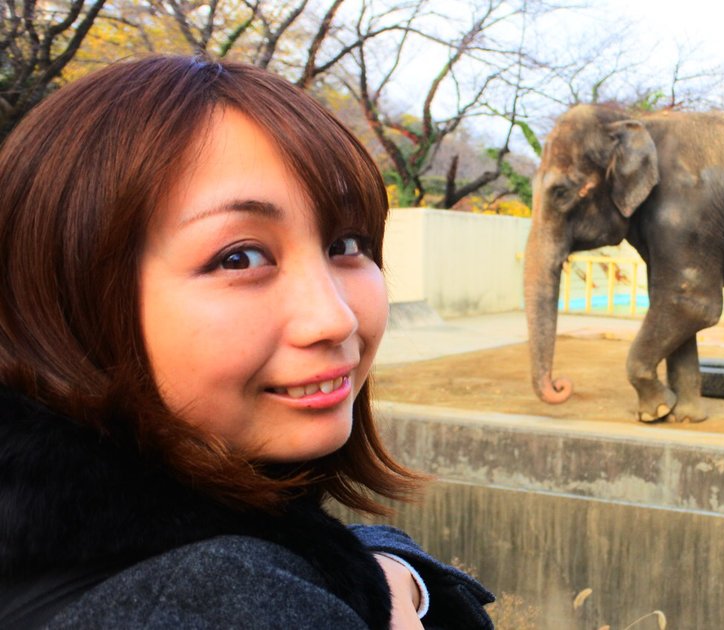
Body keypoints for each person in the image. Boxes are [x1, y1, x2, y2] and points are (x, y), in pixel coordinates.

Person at [0, 56, 493, 629]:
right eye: (240, 257)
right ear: (67, 296)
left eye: (347, 243)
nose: (334, 320)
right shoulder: (216, 602)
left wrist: (387, 571)